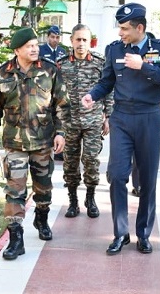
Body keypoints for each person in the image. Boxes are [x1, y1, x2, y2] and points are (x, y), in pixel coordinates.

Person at [81, 3, 160, 255]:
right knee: (116, 175)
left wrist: (144, 67)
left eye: (125, 28)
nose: (120, 33)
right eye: (119, 27)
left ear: (140, 28)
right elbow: (106, 82)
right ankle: (120, 233)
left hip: (149, 117)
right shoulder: (114, 50)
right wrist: (92, 95)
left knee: (147, 179)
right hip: (122, 118)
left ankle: (144, 234)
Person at [0, 27, 70, 261]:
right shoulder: (2, 74)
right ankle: (16, 239)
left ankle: (41, 219)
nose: (35, 48)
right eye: (29, 45)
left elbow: (62, 105)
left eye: (36, 44)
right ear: (17, 50)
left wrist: (60, 132)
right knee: (14, 191)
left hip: (43, 142)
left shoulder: (50, 71)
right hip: (15, 144)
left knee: (43, 188)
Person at [58, 24, 113, 219]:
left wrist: (108, 116)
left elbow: (108, 89)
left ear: (90, 42)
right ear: (71, 41)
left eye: (85, 40)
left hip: (93, 121)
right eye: (78, 39)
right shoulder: (61, 64)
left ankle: (90, 198)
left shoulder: (100, 63)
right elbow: (55, 94)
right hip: (69, 122)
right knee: (70, 163)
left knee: (91, 160)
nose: (81, 44)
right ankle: (73, 201)